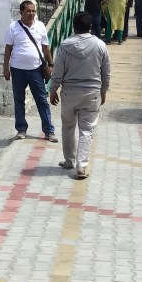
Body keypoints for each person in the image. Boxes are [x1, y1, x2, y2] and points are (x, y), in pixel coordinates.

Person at [49, 11, 110, 180]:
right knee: (87, 130)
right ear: (90, 26)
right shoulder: (100, 45)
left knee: (68, 127)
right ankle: (81, 166)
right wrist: (104, 91)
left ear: (74, 26)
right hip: (92, 93)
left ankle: (69, 160)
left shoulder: (64, 46)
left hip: (69, 93)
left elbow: (57, 72)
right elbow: (106, 72)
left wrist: (53, 90)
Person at [3, 0, 58, 141]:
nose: (31, 13)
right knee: (19, 100)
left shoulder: (40, 26)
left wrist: (51, 63)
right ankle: (21, 129)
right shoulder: (13, 27)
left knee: (42, 100)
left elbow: (45, 47)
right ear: (21, 12)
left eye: (33, 11)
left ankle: (49, 131)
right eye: (28, 11)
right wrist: (6, 68)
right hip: (17, 70)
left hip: (36, 70)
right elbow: (8, 49)